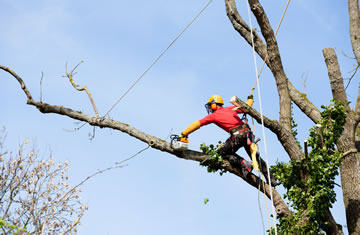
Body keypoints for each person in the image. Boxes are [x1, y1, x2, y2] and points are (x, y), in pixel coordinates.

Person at [179, 94, 278, 186]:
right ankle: (271, 179)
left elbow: (198, 123)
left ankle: (244, 163)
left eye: (210, 106)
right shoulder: (231, 108)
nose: (209, 108)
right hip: (248, 134)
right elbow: (247, 107)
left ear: (214, 105)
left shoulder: (213, 115)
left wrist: (184, 133)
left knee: (222, 153)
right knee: (256, 158)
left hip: (237, 136)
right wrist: (250, 99)